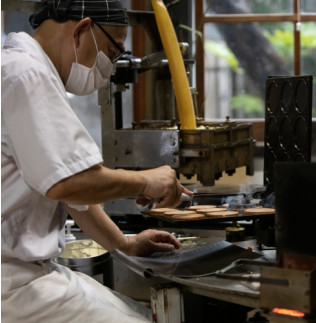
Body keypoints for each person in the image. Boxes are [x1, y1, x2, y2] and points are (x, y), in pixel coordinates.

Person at [1, 1, 192, 321]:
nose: (111, 65)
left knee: (140, 313)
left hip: (26, 275)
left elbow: (71, 191)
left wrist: (125, 244)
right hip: (13, 285)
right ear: (80, 31)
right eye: (112, 51)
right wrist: (146, 180)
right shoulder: (26, 74)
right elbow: (69, 184)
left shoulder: (28, 71)